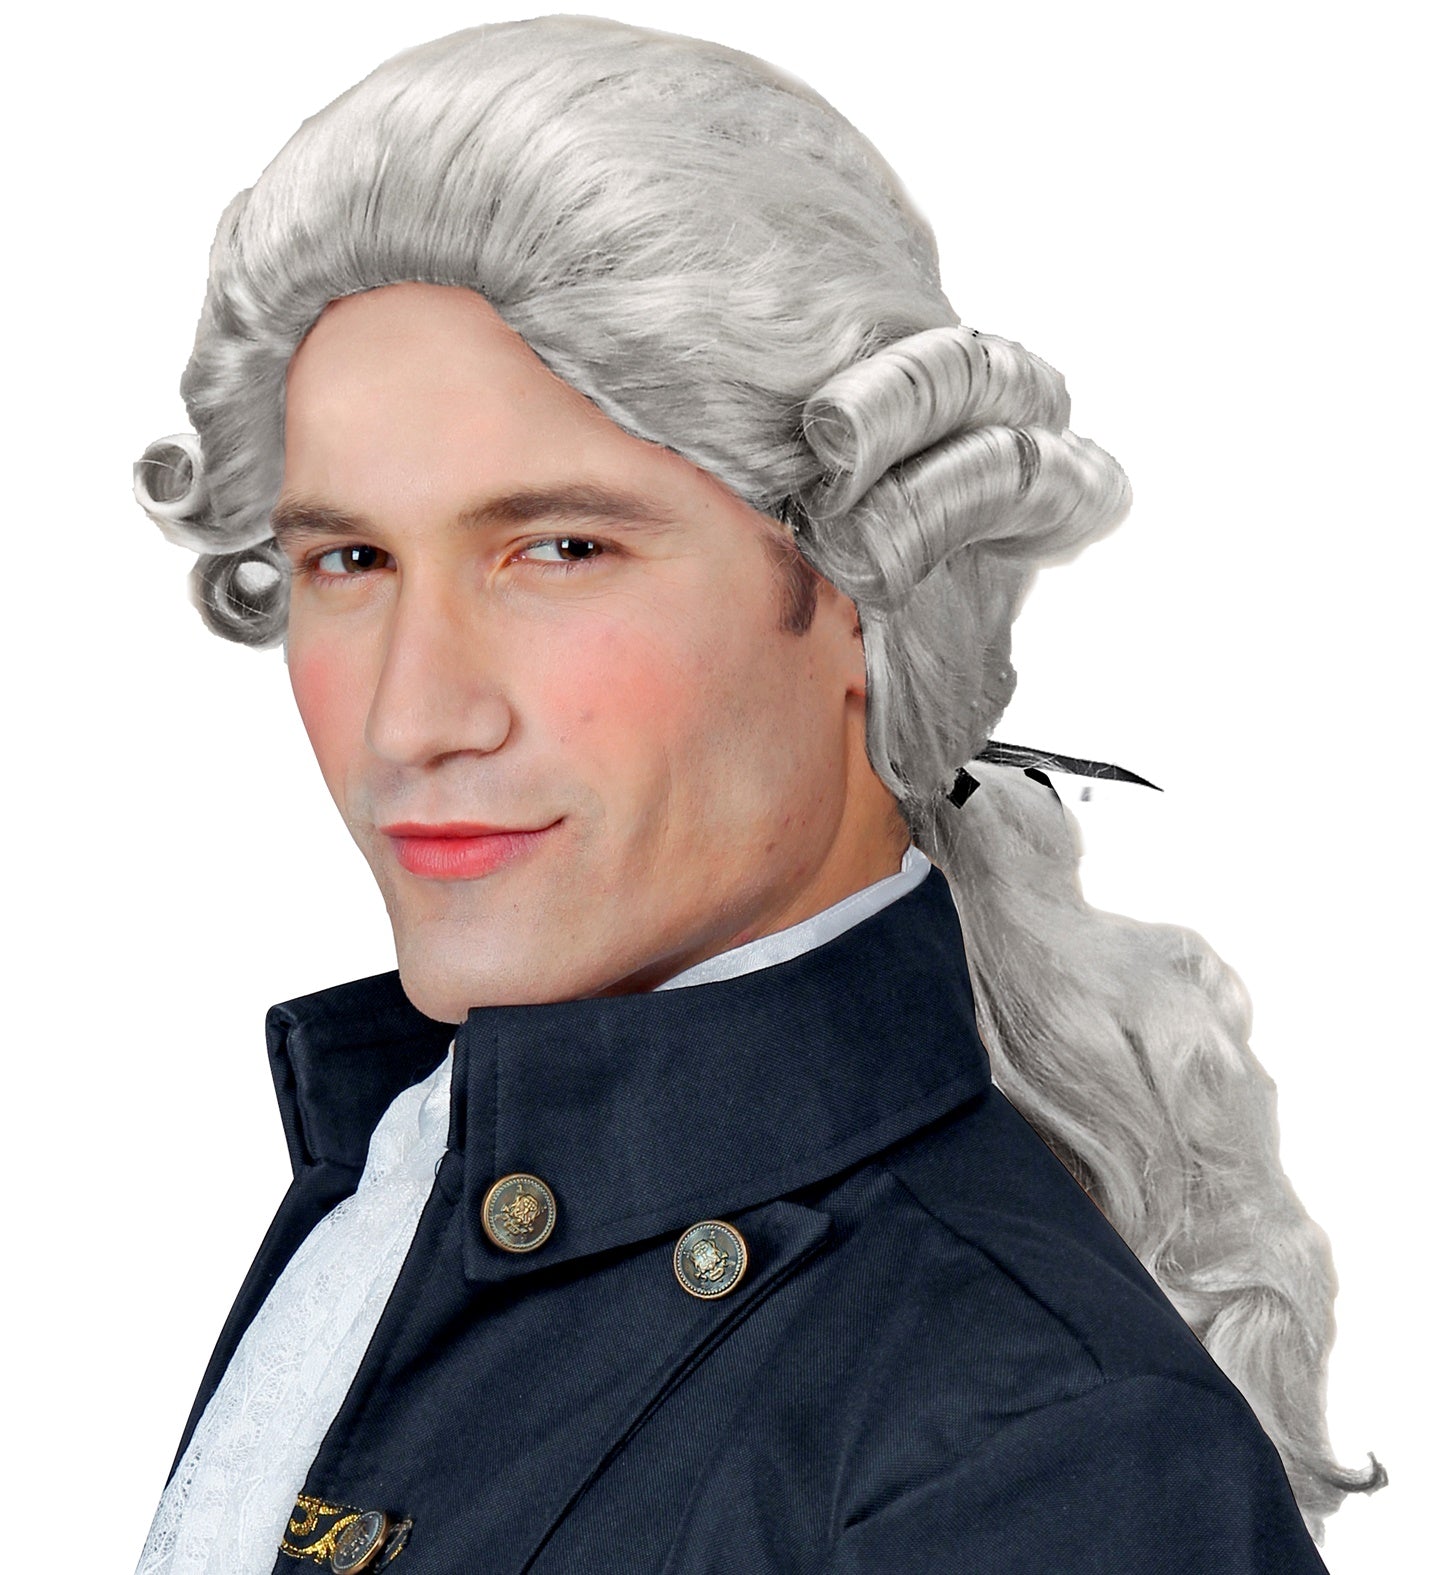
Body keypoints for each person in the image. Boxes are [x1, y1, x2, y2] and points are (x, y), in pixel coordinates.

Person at [130, 16, 1382, 1573]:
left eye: (561, 549)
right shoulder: (404, 1175)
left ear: (862, 590)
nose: (412, 716)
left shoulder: (1043, 1451)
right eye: (350, 560)